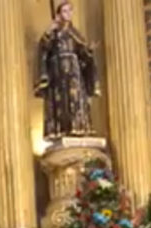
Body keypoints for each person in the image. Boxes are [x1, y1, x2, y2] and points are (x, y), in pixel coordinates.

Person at [34, 0, 99, 140]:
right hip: (58, 72)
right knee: (61, 100)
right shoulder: (53, 33)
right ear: (58, 14)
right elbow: (44, 48)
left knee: (76, 99)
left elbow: (82, 52)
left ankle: (78, 126)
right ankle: (61, 128)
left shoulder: (75, 33)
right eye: (64, 11)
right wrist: (49, 31)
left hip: (74, 72)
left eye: (70, 10)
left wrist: (89, 51)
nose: (68, 14)